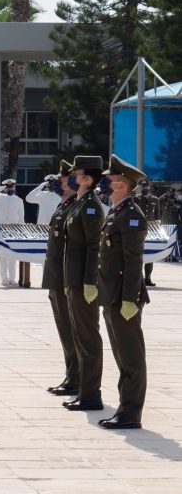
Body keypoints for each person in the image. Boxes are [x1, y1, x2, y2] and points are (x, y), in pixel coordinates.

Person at [94, 155, 150, 430]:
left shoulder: (131, 215)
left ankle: (130, 413)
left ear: (124, 185)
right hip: (112, 293)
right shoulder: (117, 212)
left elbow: (133, 261)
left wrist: (130, 298)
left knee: (131, 357)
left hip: (123, 296)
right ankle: (124, 409)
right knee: (120, 353)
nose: (107, 182)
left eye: (112, 179)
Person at [62, 155, 106, 412]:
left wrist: (90, 281)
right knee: (79, 336)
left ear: (87, 179)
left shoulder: (90, 206)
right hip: (73, 279)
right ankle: (83, 391)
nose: (72, 178)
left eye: (77, 174)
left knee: (88, 338)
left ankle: (91, 395)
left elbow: (94, 246)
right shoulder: (80, 204)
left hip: (83, 282)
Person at [41, 160, 81, 397]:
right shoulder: (64, 206)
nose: (57, 183)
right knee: (65, 331)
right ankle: (71, 375)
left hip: (67, 278)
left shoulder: (77, 207)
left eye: (62, 179)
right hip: (57, 277)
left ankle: (77, 378)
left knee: (73, 330)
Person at [0, 178, 25, 285]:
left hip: (14, 231)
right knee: (3, 256)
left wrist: (23, 232)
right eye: (8, 187)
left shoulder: (19, 200)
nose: (10, 188)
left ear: (14, 187)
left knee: (13, 257)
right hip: (1, 230)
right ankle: (4, 279)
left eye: (11, 186)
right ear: (5, 188)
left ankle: (12, 279)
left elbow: (21, 218)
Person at [134, 180, 160, 286]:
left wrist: (157, 228)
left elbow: (157, 216)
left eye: (147, 187)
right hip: (138, 229)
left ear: (149, 188)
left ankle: (148, 278)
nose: (145, 189)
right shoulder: (136, 198)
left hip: (151, 229)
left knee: (150, 255)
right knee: (138, 254)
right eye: (143, 187)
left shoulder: (155, 199)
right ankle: (138, 279)